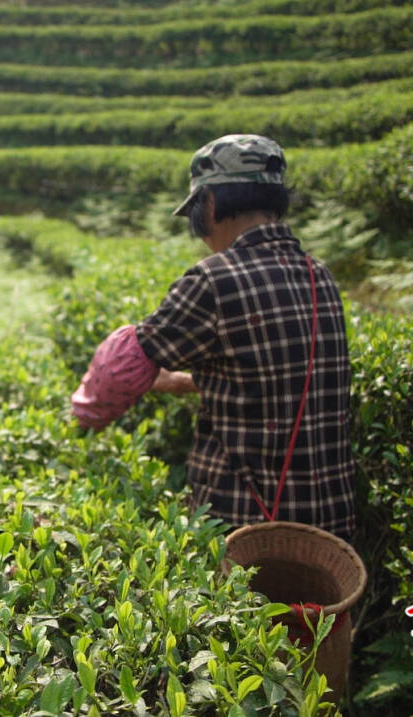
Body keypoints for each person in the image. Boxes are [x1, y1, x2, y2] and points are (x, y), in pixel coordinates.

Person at [71, 134, 355, 540]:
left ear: (211, 204)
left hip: (244, 524)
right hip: (327, 523)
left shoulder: (214, 279)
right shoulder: (318, 275)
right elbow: (270, 378)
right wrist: (183, 382)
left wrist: (82, 416)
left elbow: (121, 365)